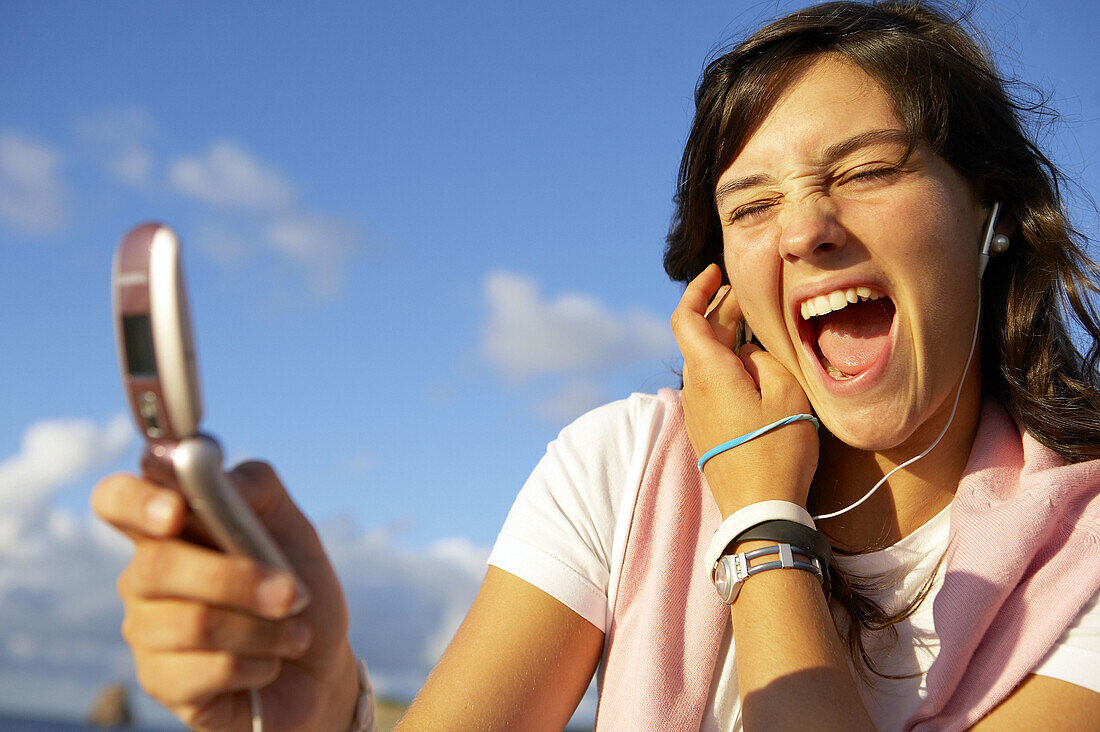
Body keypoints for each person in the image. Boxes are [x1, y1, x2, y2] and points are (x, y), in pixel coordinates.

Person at [92, 2, 1100, 730]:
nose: (802, 230)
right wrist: (322, 708)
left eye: (866, 170)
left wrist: (759, 517)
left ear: (991, 212)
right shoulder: (621, 467)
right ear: (722, 281)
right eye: (749, 207)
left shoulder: (1084, 561)